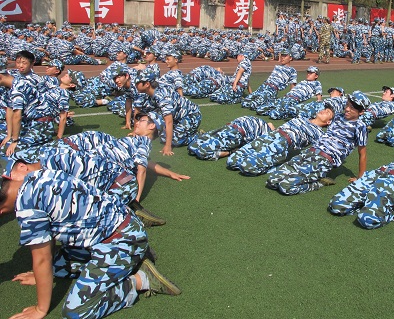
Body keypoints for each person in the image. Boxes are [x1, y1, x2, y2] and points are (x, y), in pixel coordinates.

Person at [0, 167, 181, 319]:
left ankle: (140, 279)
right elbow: (49, 240)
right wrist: (45, 272)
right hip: (123, 226)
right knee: (57, 267)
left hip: (120, 240)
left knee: (75, 312)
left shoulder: (26, 208)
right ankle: (133, 256)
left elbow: (42, 259)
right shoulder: (37, 175)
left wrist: (40, 309)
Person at [266, 91, 370, 195]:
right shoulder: (338, 116)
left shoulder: (360, 127)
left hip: (324, 160)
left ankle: (319, 183)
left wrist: (360, 178)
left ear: (361, 112)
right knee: (272, 181)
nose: (347, 109)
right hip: (310, 152)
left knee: (285, 186)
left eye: (352, 108)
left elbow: (363, 154)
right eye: (347, 105)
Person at [227, 106, 334, 176]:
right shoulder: (303, 117)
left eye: (327, 113)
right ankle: (264, 160)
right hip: (270, 136)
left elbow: (321, 152)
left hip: (281, 144)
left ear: (329, 122)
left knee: (247, 167)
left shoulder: (319, 134)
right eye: (325, 109)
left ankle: (278, 165)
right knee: (232, 162)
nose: (324, 111)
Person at [135, 70, 202, 155]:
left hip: (191, 115)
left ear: (147, 84)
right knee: (163, 135)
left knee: (175, 140)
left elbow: (169, 121)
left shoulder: (162, 97)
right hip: (176, 115)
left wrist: (168, 146)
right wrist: (136, 130)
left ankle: (197, 135)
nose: (136, 85)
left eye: (138, 83)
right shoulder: (154, 89)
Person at [187, 115, 272, 160]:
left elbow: (270, 124)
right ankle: (231, 150)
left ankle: (231, 151)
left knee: (201, 151)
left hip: (236, 133)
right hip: (232, 128)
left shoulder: (264, 131)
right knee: (192, 147)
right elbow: (271, 125)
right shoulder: (268, 133)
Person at [255, 66, 322, 120]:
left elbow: (319, 97)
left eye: (311, 73)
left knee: (274, 115)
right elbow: (293, 89)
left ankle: (285, 112)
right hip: (285, 98)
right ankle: (283, 110)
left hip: (293, 100)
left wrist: (318, 106)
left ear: (316, 76)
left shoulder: (316, 84)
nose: (308, 74)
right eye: (308, 72)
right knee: (260, 110)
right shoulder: (302, 82)